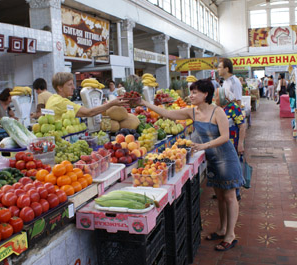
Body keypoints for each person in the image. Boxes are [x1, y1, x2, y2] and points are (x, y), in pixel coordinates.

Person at [141, 79, 244, 251]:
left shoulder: (217, 112)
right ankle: (222, 229)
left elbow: (225, 137)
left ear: (206, 94)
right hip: (212, 159)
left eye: (195, 92)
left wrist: (204, 146)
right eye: (191, 92)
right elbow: (166, 113)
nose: (191, 95)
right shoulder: (192, 112)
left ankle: (230, 235)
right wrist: (144, 103)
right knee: (219, 196)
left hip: (226, 159)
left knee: (229, 197)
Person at [45, 72, 128, 120]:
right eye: (70, 85)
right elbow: (89, 113)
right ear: (60, 87)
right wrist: (111, 104)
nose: (73, 87)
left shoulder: (52, 98)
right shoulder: (61, 102)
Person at [215, 85, 247, 201]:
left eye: (217, 95)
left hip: (233, 143)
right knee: (223, 168)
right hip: (221, 145)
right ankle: (223, 189)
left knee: (233, 168)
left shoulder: (233, 107)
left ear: (223, 97)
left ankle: (236, 192)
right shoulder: (218, 108)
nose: (215, 98)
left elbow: (242, 125)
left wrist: (240, 144)